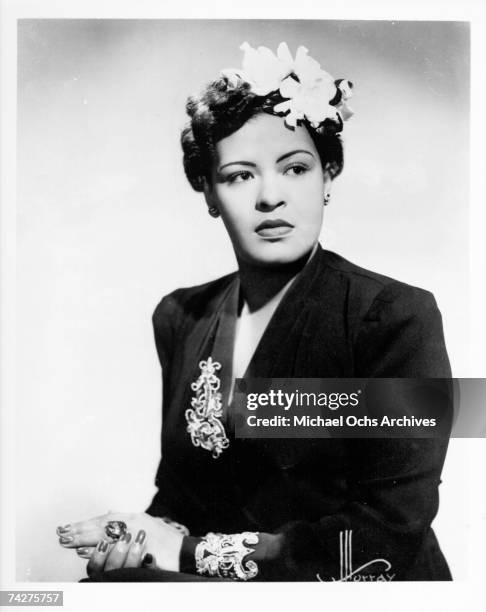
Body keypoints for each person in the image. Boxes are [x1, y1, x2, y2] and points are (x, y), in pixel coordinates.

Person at [57, 41, 452, 582]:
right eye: (240, 175)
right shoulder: (180, 317)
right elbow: (183, 495)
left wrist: (185, 552)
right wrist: (138, 537)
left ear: (328, 177)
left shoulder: (393, 317)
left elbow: (388, 529)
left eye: (295, 169)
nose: (271, 196)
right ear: (208, 192)